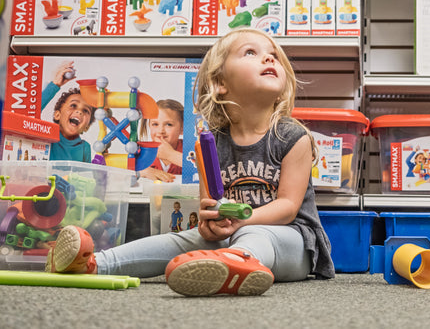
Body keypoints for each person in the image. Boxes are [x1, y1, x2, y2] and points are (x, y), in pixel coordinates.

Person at [46, 28, 335, 297]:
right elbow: (209, 204)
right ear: (220, 83)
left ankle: (234, 263)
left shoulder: (293, 137)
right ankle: (95, 263)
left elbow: (287, 208)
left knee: (253, 232)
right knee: (182, 239)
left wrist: (239, 221)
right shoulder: (211, 143)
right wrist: (211, 225)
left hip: (295, 244)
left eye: (273, 54)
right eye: (251, 52)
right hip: (234, 235)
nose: (269, 57)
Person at [41, 60, 95, 163]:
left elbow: (85, 177)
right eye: (73, 105)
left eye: (85, 110)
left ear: (87, 127)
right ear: (57, 115)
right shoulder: (47, 136)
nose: (79, 112)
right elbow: (30, 113)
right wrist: (55, 85)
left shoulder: (85, 148)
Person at [139, 99, 184, 183]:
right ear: (149, 126)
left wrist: (170, 154)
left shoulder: (190, 150)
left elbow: (205, 169)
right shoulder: (141, 152)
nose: (161, 131)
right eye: (155, 124)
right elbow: (123, 173)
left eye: (169, 124)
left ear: (182, 128)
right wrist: (142, 172)